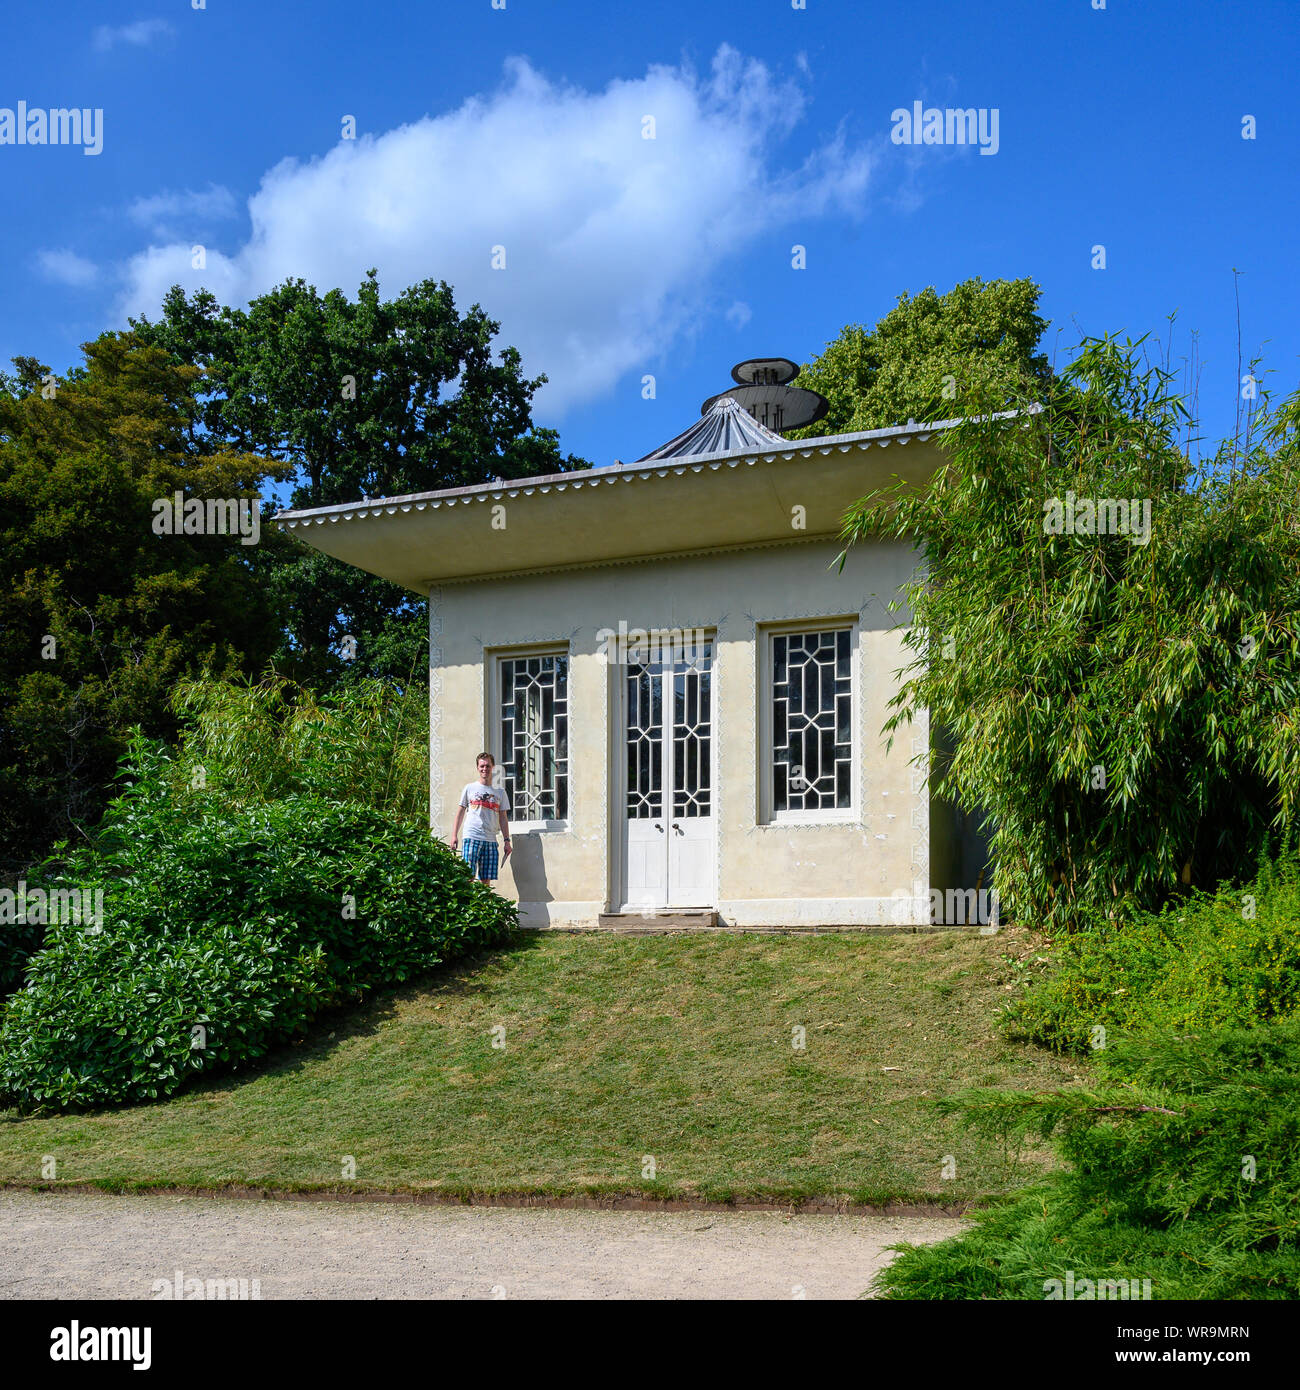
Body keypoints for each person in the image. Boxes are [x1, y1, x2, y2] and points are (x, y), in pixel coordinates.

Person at [449, 752, 512, 885]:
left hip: (490, 839)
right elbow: (460, 812)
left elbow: (503, 818)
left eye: (488, 766)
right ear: (477, 768)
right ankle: (466, 905)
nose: (485, 769)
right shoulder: (470, 788)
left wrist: (507, 841)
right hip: (472, 836)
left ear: (493, 767)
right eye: (482, 766)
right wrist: (454, 835)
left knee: (485, 881)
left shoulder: (500, 792)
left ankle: (484, 906)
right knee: (468, 877)